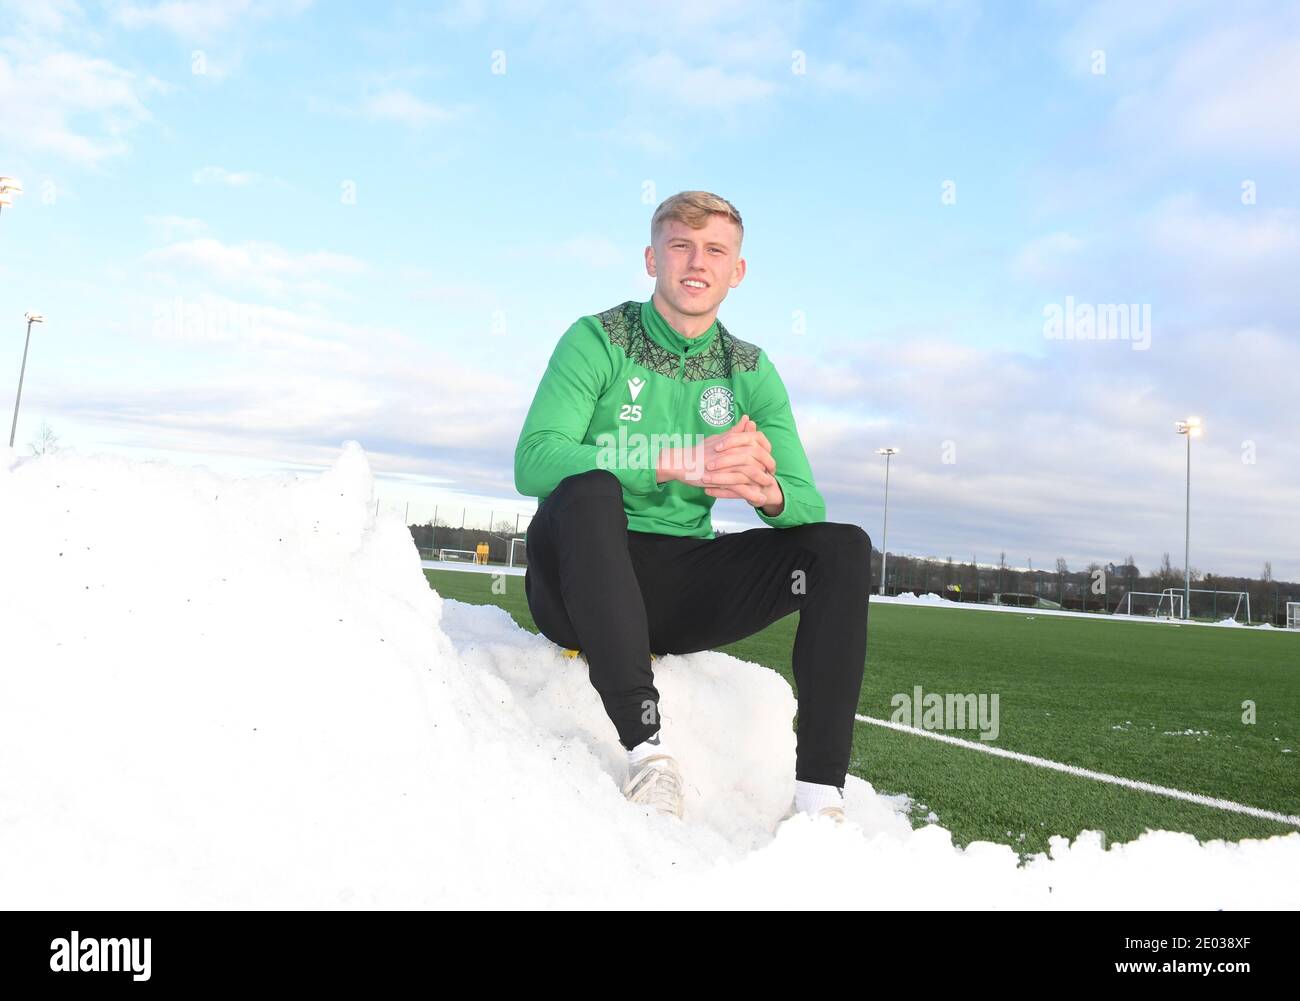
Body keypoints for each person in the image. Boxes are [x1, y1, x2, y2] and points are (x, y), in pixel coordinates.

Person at [513, 190, 871, 824]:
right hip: (577, 581)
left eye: (715, 250)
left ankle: (819, 798)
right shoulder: (598, 338)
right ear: (652, 259)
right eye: (680, 245)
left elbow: (808, 501)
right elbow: (534, 460)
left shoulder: (750, 371)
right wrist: (666, 459)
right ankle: (648, 756)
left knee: (843, 545)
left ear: (737, 271)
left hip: (674, 588)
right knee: (592, 489)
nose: (695, 262)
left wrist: (772, 494)